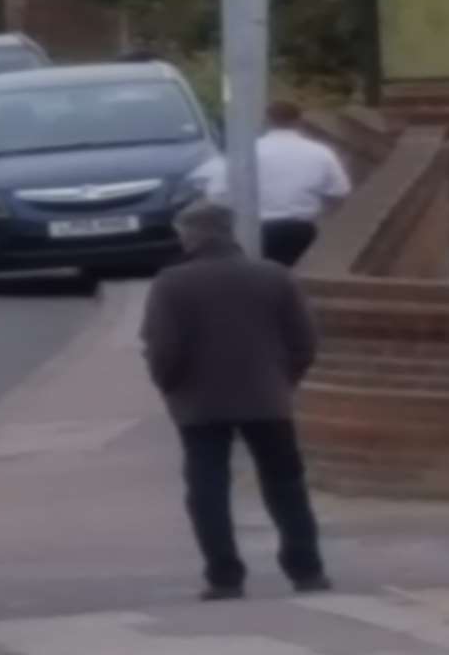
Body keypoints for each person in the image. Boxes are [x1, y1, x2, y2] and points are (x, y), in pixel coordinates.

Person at [142, 200, 329, 602]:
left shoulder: (171, 283)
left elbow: (162, 348)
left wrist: (169, 385)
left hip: (198, 403)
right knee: (285, 485)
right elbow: (305, 342)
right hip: (267, 397)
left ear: (189, 236)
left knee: (207, 489)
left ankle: (224, 576)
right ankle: (307, 569)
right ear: (230, 232)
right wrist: (283, 380)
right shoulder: (274, 277)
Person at [198, 100, 353, 267]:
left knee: (259, 276)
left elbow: (217, 193)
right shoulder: (320, 152)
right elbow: (340, 191)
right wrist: (321, 213)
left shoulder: (247, 151)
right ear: (299, 122)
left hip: (257, 229)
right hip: (302, 230)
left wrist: (240, 210)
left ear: (267, 121)